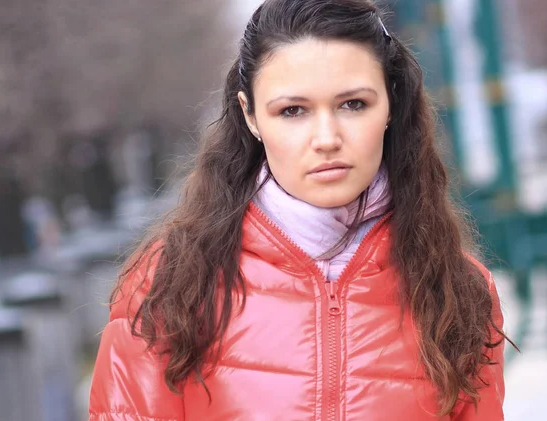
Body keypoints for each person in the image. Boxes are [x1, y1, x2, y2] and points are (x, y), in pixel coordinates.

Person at [89, 0, 511, 420]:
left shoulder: (457, 290)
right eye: (293, 111)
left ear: (391, 104)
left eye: (353, 104)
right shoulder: (169, 283)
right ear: (251, 116)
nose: (326, 138)